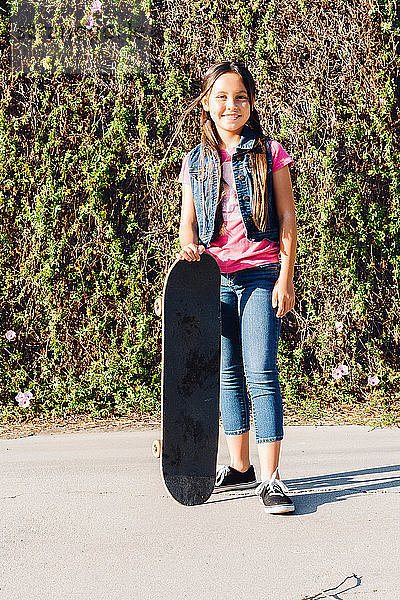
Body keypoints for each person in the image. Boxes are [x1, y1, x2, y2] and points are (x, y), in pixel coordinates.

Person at [174, 61, 297, 514]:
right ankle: (240, 466)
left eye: (240, 97)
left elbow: (287, 218)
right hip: (214, 279)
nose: (231, 105)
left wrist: (284, 276)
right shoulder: (195, 160)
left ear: (250, 103)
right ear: (205, 103)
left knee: (261, 371)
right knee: (226, 373)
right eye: (221, 97)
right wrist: (188, 248)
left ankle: (272, 479)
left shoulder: (269, 152)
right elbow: (188, 222)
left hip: (261, 275)